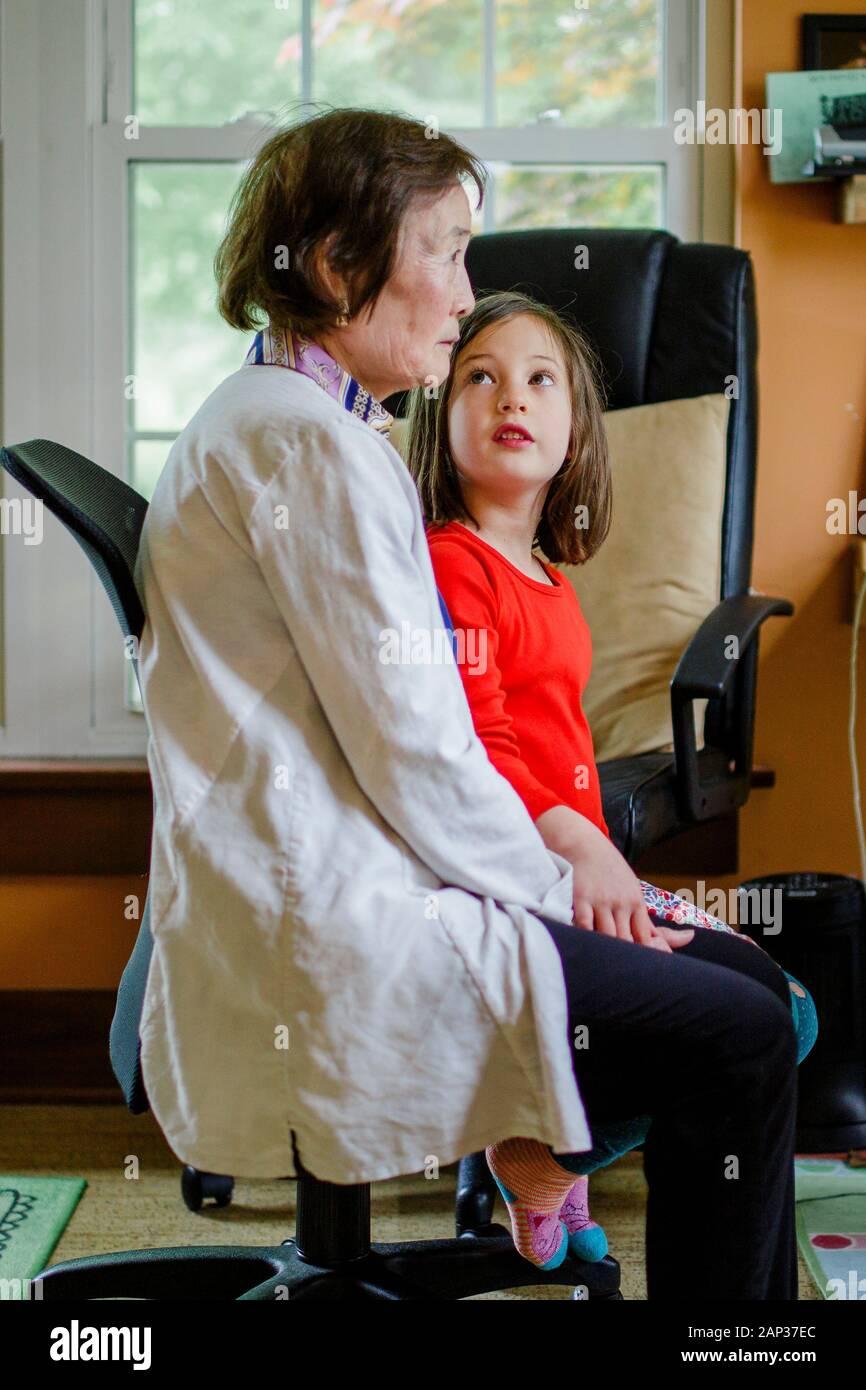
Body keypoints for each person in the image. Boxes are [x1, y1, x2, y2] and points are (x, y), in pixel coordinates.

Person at [133, 106, 801, 1300]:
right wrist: (578, 888)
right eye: (441, 250)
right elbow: (426, 758)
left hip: (351, 868)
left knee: (739, 992)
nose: (463, 290)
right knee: (738, 1028)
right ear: (338, 267)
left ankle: (551, 1161)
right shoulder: (309, 456)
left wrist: (600, 890)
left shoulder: (302, 427)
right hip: (347, 910)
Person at [404, 289, 817, 1279]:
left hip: (565, 866)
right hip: (510, 874)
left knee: (783, 1004)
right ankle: (545, 1154)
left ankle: (555, 1151)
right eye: (480, 376)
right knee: (759, 1014)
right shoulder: (451, 568)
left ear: (575, 427)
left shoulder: (547, 575)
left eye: (541, 379)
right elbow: (480, 752)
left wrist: (605, 870)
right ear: (439, 412)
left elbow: (558, 756)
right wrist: (587, 854)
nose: (513, 396)